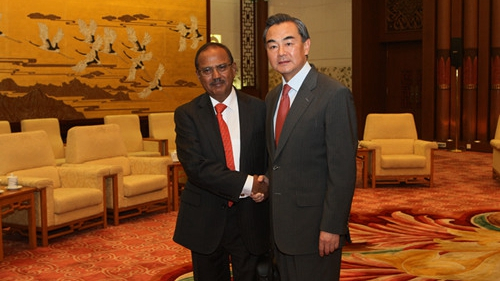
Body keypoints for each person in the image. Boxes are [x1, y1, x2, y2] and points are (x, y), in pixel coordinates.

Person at [263, 13, 358, 280]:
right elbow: (278, 160)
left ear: (306, 46)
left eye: (288, 43)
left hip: (316, 232)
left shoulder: (334, 95)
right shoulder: (272, 98)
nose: (281, 52)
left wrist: (332, 226)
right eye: (272, 46)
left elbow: (342, 171)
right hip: (278, 230)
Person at [173, 42, 270, 281]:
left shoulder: (259, 109)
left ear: (234, 68)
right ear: (198, 76)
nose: (215, 76)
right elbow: (196, 167)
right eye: (207, 71)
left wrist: (268, 184)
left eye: (222, 67)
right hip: (206, 220)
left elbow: (273, 157)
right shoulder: (187, 115)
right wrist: (250, 184)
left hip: (251, 217)